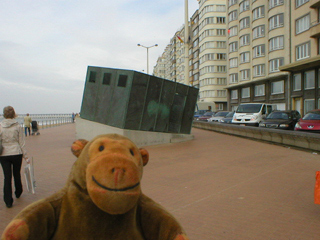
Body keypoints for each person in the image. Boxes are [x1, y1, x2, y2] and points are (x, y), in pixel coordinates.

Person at [0, 106, 29, 208]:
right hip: (16, 152)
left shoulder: (0, 126)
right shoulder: (17, 126)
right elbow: (21, 142)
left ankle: (8, 200)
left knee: (7, 177)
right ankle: (18, 191)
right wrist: (26, 156)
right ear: (13, 114)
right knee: (16, 173)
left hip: (4, 154)